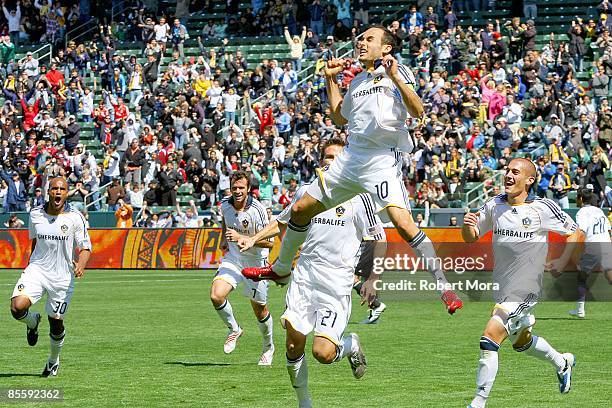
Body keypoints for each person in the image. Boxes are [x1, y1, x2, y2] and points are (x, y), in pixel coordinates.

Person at [242, 25, 463, 315]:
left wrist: (395, 75)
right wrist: (331, 80)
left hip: (381, 160)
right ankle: (281, 269)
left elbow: (418, 111)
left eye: (369, 39)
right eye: (361, 39)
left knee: (403, 223)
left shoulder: (398, 72)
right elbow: (338, 117)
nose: (362, 43)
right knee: (299, 210)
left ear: (386, 48)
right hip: (349, 159)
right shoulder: (357, 81)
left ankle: (444, 287)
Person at [235, 138, 385, 407]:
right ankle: (305, 403)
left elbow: (379, 239)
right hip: (304, 277)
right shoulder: (308, 192)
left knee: (323, 353)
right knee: (293, 345)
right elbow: (283, 222)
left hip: (336, 283)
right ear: (320, 162)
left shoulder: (361, 197)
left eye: (338, 157)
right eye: (328, 157)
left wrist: (373, 278)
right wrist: (253, 238)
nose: (333, 161)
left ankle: (349, 345)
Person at [462, 158, 581, 408]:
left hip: (527, 287)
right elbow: (471, 238)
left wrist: (561, 262)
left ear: (529, 180)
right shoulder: (494, 205)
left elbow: (576, 233)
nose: (508, 175)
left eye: (515, 172)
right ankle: (562, 363)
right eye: (506, 171)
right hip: (503, 287)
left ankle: (478, 402)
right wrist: (468, 227)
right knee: (522, 343)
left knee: (489, 336)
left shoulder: (542, 208)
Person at [10, 177, 92, 377]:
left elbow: (86, 247)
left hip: (62, 277)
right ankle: (32, 322)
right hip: (37, 270)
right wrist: (30, 265)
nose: (57, 192)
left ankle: (53, 361)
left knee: (56, 322)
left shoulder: (75, 217)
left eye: (62, 189)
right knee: (17, 307)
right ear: (48, 191)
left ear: (66, 193)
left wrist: (80, 264)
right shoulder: (36, 213)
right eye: (54, 188)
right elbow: (35, 242)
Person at [209, 171, 275, 365]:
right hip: (234, 259)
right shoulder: (224, 205)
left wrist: (242, 238)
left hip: (256, 262)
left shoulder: (258, 210)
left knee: (259, 310)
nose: (237, 191)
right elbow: (225, 222)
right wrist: (224, 239)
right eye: (234, 187)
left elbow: (270, 243)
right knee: (216, 295)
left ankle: (268, 347)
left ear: (248, 189)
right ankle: (234, 329)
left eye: (241, 188)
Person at [552, 187, 611, 318]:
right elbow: (608, 229)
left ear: (580, 199)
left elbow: (581, 232)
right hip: (606, 244)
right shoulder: (599, 210)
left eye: (577, 198)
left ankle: (580, 309)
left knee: (581, 277)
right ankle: (579, 309)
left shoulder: (582, 212)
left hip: (594, 247)